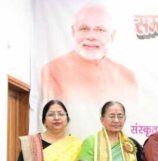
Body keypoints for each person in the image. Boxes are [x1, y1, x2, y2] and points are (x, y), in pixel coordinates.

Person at [39, 3, 137, 137]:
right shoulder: (52, 70)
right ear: (73, 31)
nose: (91, 36)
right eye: (84, 29)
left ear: (112, 35)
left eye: (100, 30)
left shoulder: (127, 76)